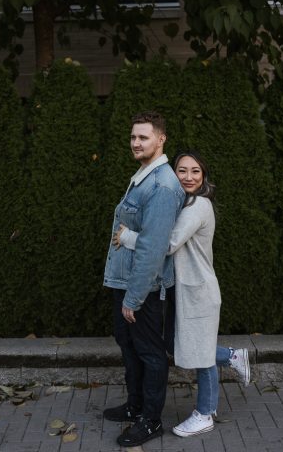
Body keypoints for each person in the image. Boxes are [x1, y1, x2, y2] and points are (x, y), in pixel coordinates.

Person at [114, 149, 251, 438]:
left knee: (200, 355)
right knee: (176, 347)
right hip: (182, 290)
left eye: (195, 171)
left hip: (199, 292)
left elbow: (167, 244)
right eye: (182, 170)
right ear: (173, 173)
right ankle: (230, 356)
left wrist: (126, 237)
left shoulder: (199, 206)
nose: (188, 177)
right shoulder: (182, 203)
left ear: (204, 176)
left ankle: (205, 414)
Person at [102, 111, 185, 447]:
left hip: (144, 289)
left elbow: (152, 249)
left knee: (150, 354)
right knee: (129, 348)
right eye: (133, 137)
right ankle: (135, 406)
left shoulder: (163, 185)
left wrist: (134, 298)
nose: (136, 143)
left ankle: (150, 421)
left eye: (143, 137)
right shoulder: (143, 174)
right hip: (125, 282)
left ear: (160, 139)